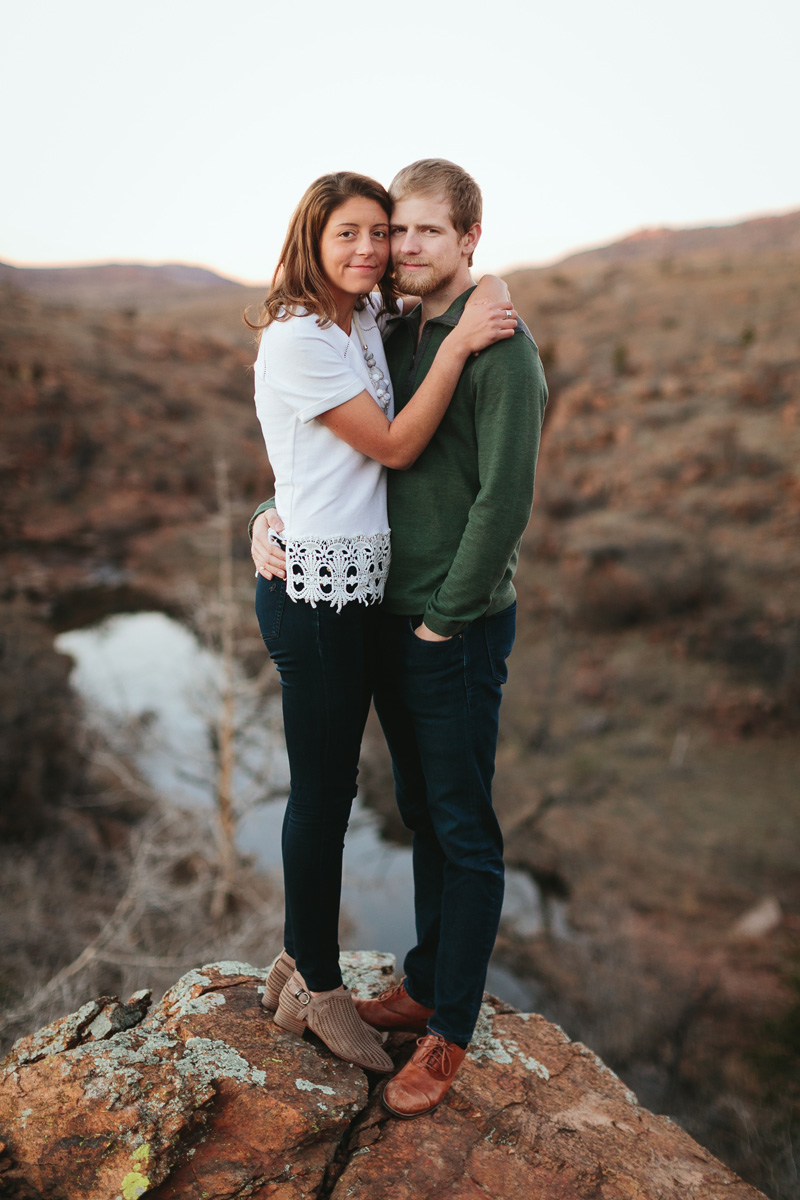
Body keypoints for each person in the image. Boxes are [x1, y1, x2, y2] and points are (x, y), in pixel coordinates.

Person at [252, 158, 548, 1118]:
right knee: (419, 808)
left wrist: (440, 619)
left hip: (445, 625)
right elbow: (333, 462)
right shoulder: (396, 328)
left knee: (462, 826)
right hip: (375, 610)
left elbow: (504, 504)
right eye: (391, 231)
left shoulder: (497, 349)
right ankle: (424, 978)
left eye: (422, 231)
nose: (398, 248)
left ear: (469, 239)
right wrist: (269, 512)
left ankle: (450, 1030)